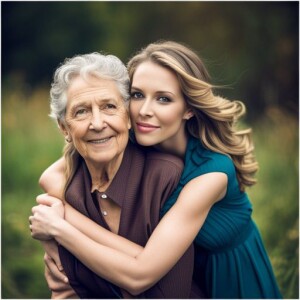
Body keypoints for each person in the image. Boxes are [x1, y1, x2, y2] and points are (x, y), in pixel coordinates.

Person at [30, 40, 282, 299]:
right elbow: (51, 175)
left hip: (230, 277)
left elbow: (141, 271)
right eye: (138, 95)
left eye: (163, 99)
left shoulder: (211, 174)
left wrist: (61, 225)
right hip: (185, 272)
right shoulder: (134, 136)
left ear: (189, 109)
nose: (144, 111)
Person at [29, 51, 201, 299]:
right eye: (81, 112)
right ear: (64, 128)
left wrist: (61, 228)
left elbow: (170, 292)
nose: (97, 123)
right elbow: (64, 289)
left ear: (128, 116)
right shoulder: (66, 191)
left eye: (109, 107)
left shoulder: (167, 178)